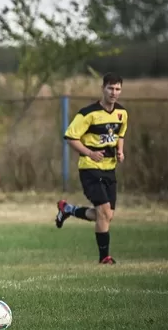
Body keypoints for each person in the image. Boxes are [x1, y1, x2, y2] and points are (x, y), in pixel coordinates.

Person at [55, 72, 128, 264]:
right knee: (104, 213)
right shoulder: (88, 114)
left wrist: (120, 151)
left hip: (109, 169)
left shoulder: (122, 113)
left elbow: (120, 135)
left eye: (118, 89)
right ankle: (104, 257)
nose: (114, 92)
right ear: (103, 88)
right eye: (110, 88)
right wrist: (89, 153)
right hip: (90, 169)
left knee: (106, 215)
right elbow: (70, 137)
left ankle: (68, 210)